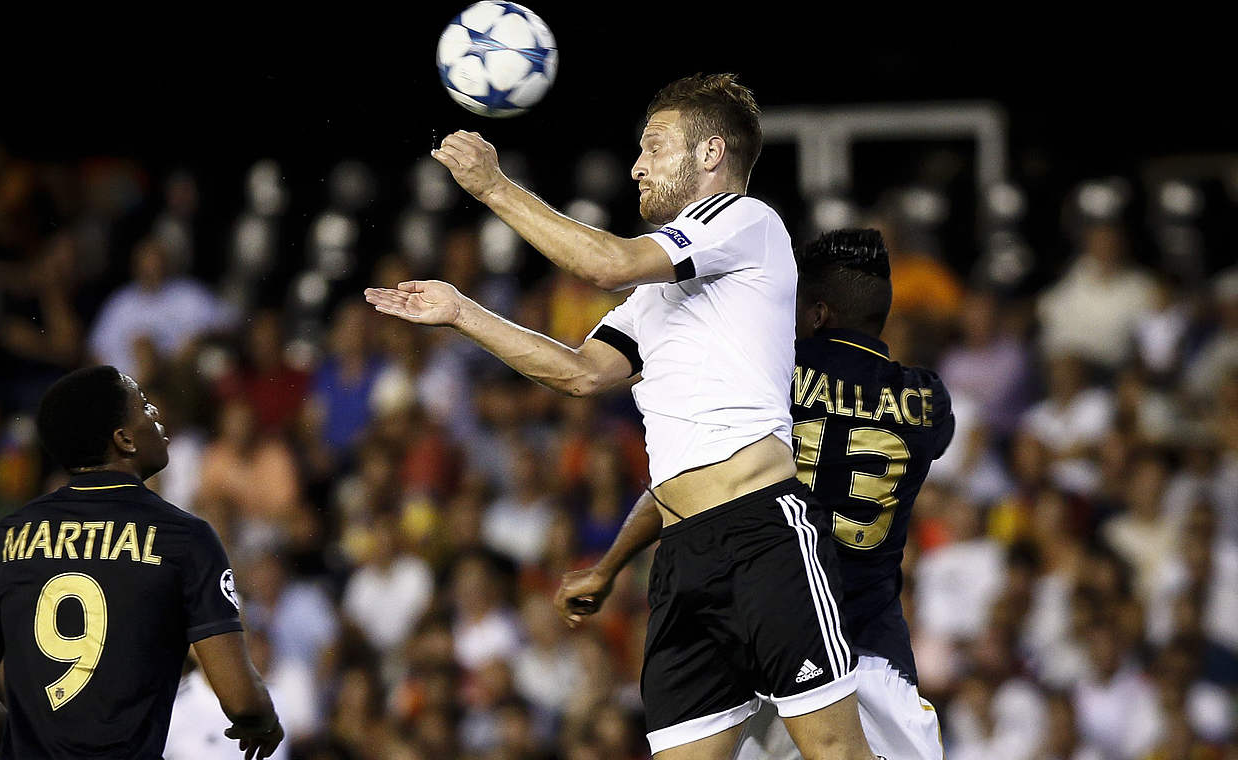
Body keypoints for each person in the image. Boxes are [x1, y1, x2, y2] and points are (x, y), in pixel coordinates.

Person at [367, 73, 873, 759]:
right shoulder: (657, 296)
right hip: (683, 557)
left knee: (838, 753)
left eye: (655, 148)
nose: (637, 164)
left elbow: (606, 264)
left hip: (762, 534)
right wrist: (462, 312)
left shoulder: (745, 222)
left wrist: (493, 187)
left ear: (711, 154)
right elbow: (578, 373)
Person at [557, 229, 955, 758]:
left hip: (771, 638)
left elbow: (694, 483)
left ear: (815, 313)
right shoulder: (927, 397)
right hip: (871, 651)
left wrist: (607, 567)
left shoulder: (766, 377)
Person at [0, 365, 283, 759]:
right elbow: (241, 700)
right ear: (123, 439)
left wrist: (21, 749)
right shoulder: (185, 538)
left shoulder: (9, 535)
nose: (155, 413)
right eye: (143, 405)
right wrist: (266, 721)